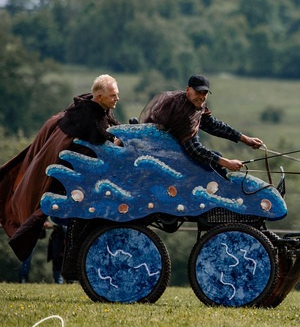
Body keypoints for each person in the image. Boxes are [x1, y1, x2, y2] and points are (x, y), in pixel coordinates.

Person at [1, 74, 121, 261]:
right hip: (65, 167)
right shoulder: (88, 117)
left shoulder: (98, 107)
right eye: (113, 95)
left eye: (117, 94)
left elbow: (111, 128)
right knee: (38, 195)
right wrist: (119, 141)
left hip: (72, 164)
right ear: (99, 96)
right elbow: (103, 138)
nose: (117, 99)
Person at [140, 74, 264, 175]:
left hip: (174, 148)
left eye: (204, 93)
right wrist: (226, 163)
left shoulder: (193, 104)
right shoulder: (182, 111)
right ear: (188, 89)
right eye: (198, 92)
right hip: (160, 152)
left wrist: (246, 139)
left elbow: (214, 126)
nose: (201, 97)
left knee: (217, 158)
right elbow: (194, 150)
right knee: (216, 161)